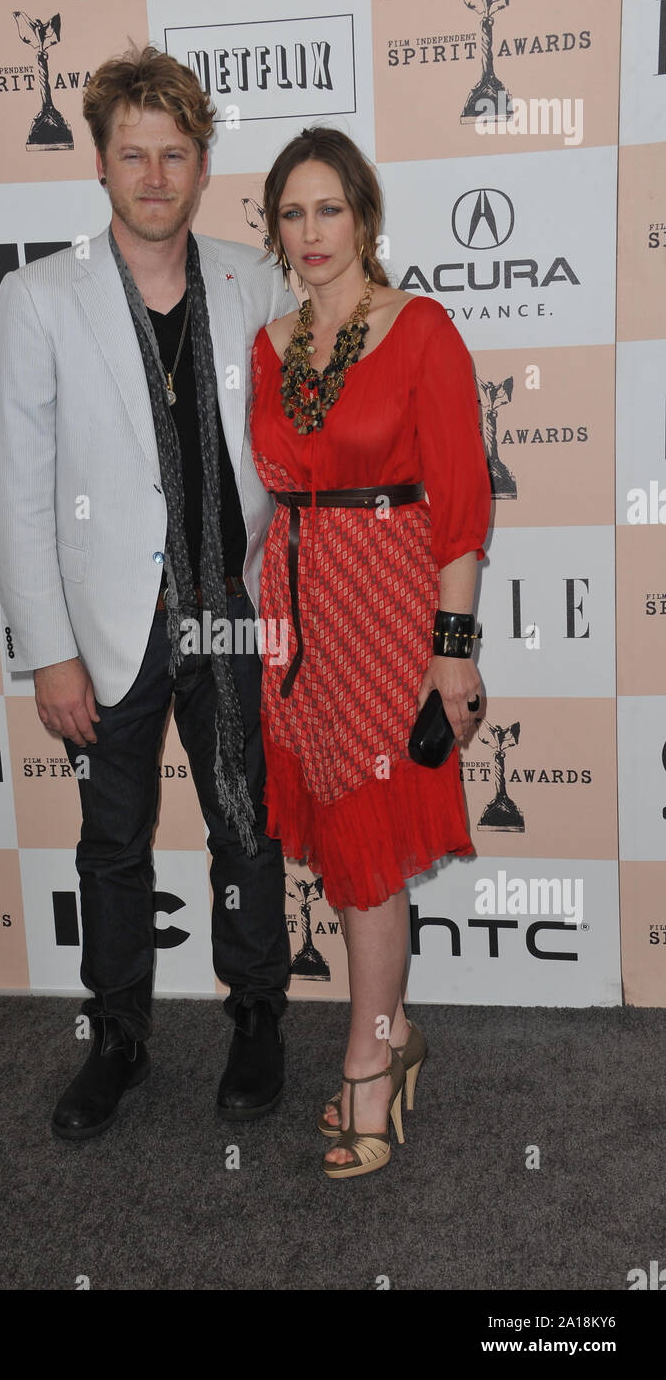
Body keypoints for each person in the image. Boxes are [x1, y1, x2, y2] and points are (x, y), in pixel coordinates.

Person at [0, 45, 295, 1140]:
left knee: (245, 829)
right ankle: (116, 1036)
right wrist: (47, 650)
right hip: (106, 624)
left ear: (203, 165)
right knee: (111, 842)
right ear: (102, 166)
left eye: (174, 155)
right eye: (132, 155)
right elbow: (17, 493)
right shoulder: (40, 299)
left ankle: (256, 1009)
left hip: (228, 605)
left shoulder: (258, 284)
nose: (154, 176)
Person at [249, 127, 491, 1178]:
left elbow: (464, 504)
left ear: (366, 217)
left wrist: (454, 652)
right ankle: (395, 1032)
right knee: (349, 855)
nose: (312, 233)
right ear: (275, 229)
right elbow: (268, 488)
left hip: (388, 608)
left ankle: (372, 1055)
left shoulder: (422, 329)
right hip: (294, 611)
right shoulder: (270, 346)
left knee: (367, 841)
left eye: (329, 210)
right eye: (292, 214)